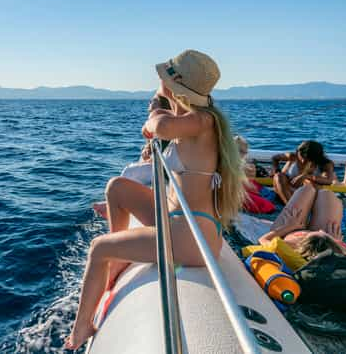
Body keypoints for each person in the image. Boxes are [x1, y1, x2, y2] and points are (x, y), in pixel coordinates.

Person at [65, 50, 247, 350]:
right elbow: (152, 129)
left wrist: (157, 105)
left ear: (176, 86)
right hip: (173, 218)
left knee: (98, 249)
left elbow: (158, 127)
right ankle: (120, 254)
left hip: (191, 236)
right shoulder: (190, 118)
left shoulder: (202, 121)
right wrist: (163, 105)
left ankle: (82, 328)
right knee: (117, 188)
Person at [258, 183, 346, 256]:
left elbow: (263, 240)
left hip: (287, 231)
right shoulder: (331, 245)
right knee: (326, 193)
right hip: (325, 244)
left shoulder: (288, 247)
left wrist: (289, 226)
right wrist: (335, 242)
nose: (320, 231)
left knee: (307, 189)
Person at [271, 141, 338, 204]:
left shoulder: (325, 164)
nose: (303, 161)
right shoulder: (292, 156)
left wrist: (306, 176)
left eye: (306, 159)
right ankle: (291, 207)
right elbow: (274, 158)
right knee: (278, 176)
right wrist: (276, 169)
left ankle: (293, 208)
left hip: (306, 195)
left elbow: (329, 181)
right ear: (297, 152)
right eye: (301, 156)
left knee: (311, 183)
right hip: (285, 192)